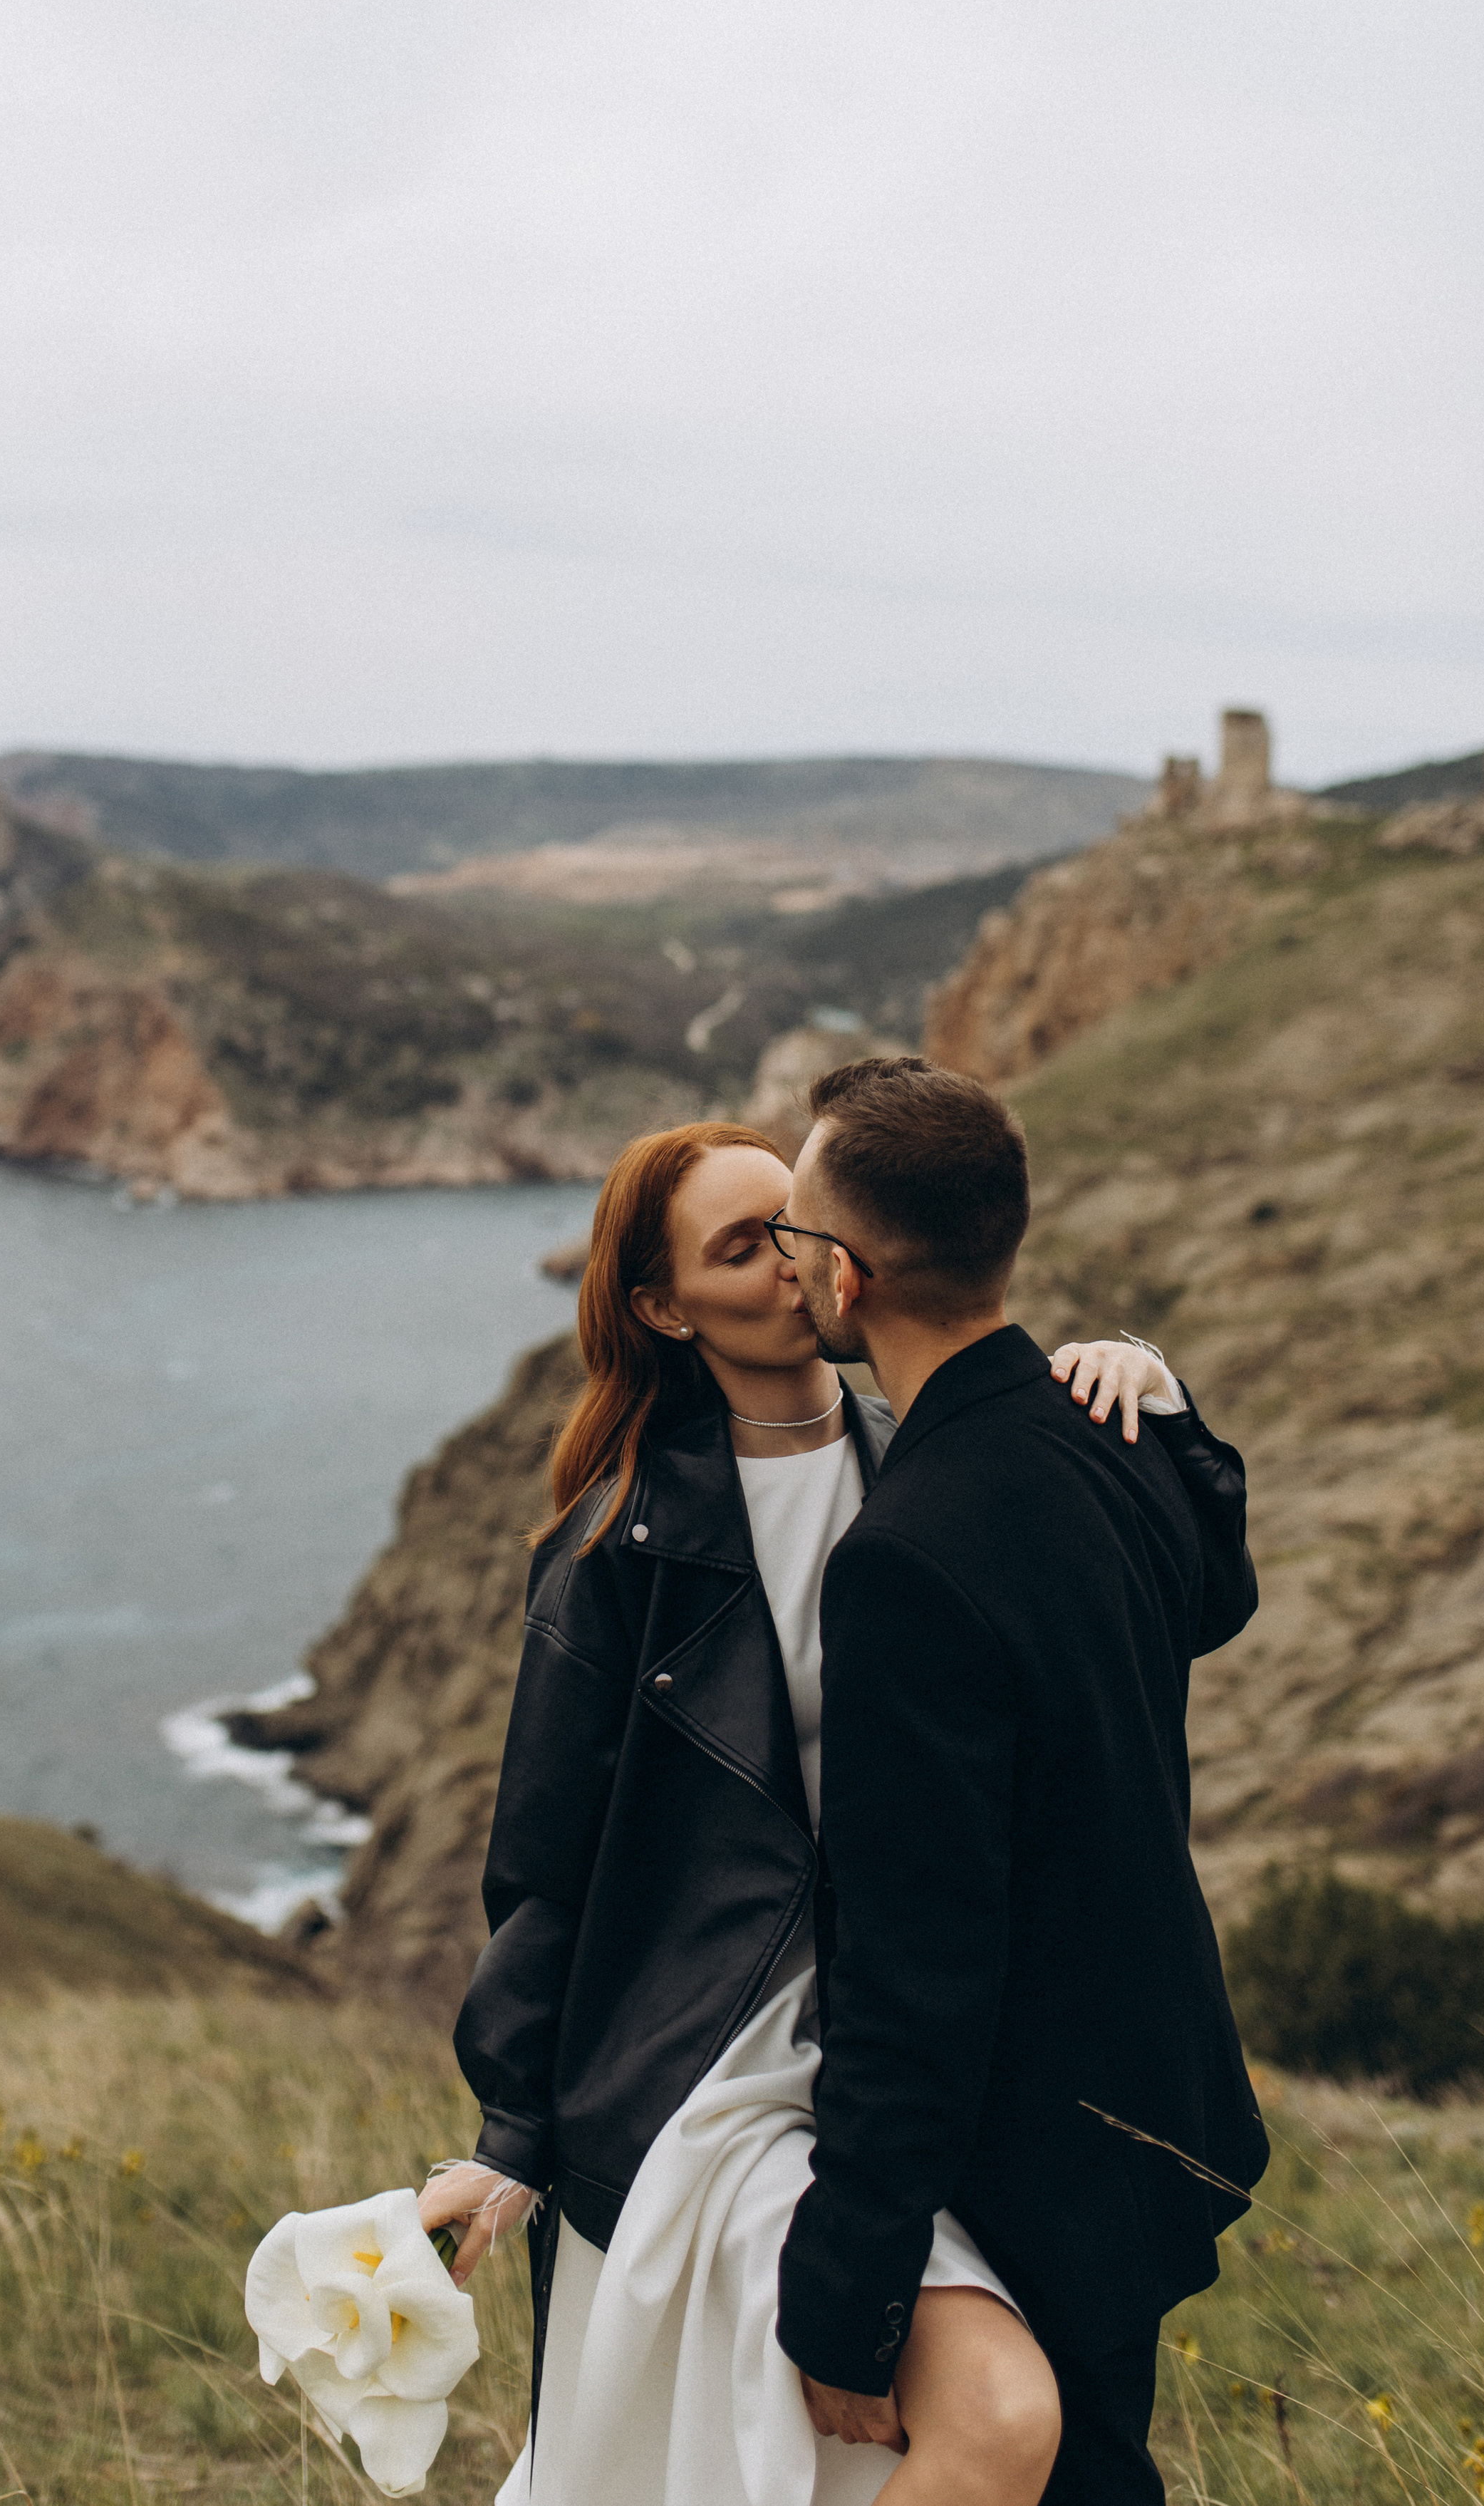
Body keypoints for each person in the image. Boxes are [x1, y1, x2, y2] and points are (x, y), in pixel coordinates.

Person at [420, 1109, 1256, 2505]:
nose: (787, 1271)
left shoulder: (933, 1467)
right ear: (661, 1306)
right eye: (741, 1250)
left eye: (792, 1235)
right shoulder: (614, 1554)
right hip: (724, 2065)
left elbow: (1175, 1599)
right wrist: (513, 2136)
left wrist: (1146, 1398)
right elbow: (546, 1869)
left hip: (926, 2061)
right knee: (967, 2425)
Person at [773, 1057, 1269, 2504]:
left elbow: (918, 1956)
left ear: (848, 1279)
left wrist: (847, 2291)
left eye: (797, 1243)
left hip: (1031, 2150)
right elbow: (1212, 1596)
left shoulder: (905, 1556)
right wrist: (1168, 1407)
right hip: (1152, 2095)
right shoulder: (1109, 1442)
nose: (790, 1273)